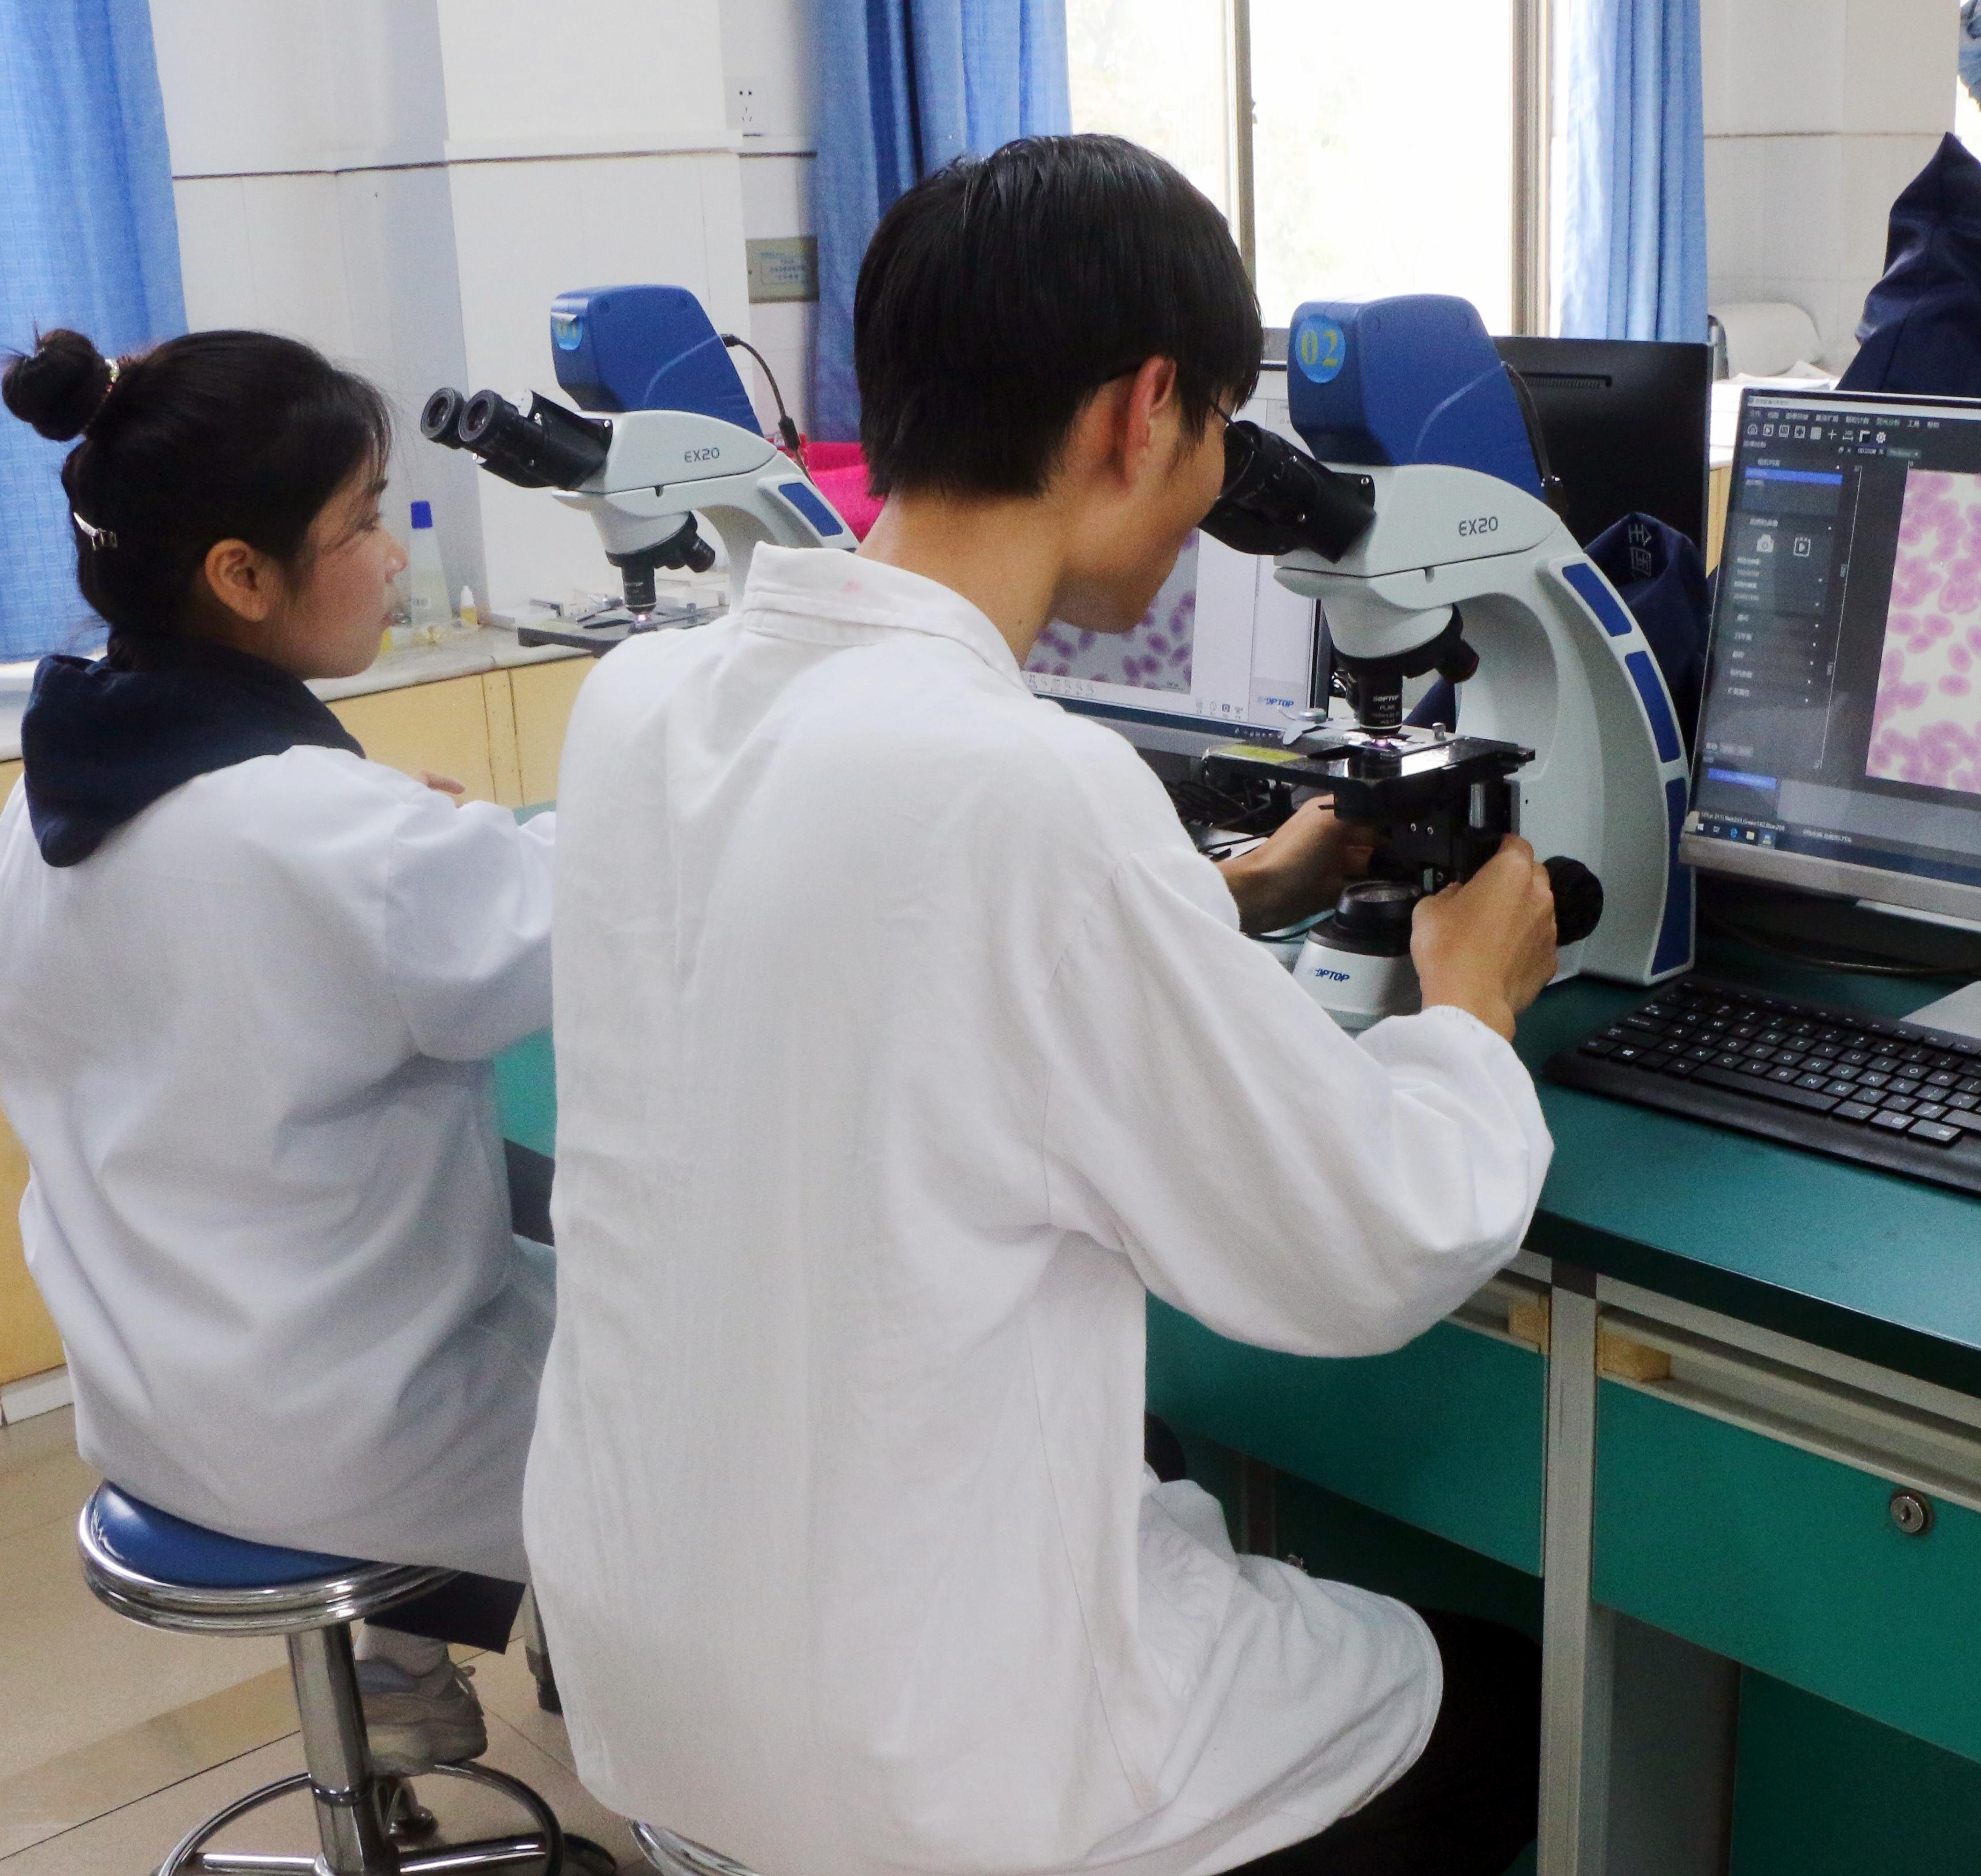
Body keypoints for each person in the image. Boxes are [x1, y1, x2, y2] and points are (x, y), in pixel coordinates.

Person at [523, 134, 1557, 1876]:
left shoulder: (644, 705)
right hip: (925, 1765)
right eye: (1219, 424)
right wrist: (1470, 1007)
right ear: (1144, 409)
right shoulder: (1025, 790)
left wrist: (1222, 898)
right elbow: (1366, 1239)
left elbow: (869, 961)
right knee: (1499, 1700)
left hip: (648, 1666)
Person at [0, 328, 557, 1774]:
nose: (393, 555)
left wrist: (404, 839)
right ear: (242, 574)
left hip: (149, 1394)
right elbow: (578, 931)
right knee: (699, 1372)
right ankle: (685, 1756)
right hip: (342, 1425)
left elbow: (290, 924)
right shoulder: (322, 829)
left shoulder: (50, 802)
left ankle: (402, 1668)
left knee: (520, 1235)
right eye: (362, 522)